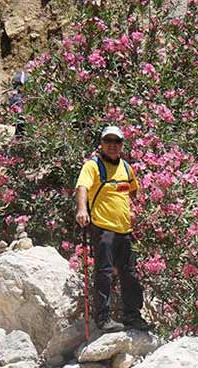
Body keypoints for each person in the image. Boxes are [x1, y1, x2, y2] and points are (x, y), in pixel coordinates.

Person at [74, 125, 151, 332]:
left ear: (121, 145)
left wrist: (135, 210)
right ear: (101, 144)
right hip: (103, 228)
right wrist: (82, 209)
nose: (112, 146)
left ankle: (132, 315)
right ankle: (103, 318)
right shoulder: (93, 166)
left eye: (116, 142)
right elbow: (82, 187)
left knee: (130, 273)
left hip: (124, 229)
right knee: (104, 273)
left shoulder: (126, 168)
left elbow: (132, 191)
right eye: (108, 141)